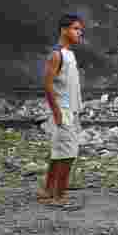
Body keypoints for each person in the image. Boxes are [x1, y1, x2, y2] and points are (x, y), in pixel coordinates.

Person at [39, 14, 85, 207]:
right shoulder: (56, 54)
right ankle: (60, 195)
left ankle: (48, 190)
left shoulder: (70, 54)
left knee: (59, 151)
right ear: (64, 30)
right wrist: (57, 112)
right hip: (63, 109)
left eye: (80, 29)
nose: (79, 32)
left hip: (71, 110)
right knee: (67, 153)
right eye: (75, 28)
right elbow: (48, 85)